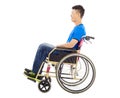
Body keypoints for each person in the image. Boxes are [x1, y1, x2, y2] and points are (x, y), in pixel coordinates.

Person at [24, 5, 86, 79]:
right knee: (43, 46)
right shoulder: (78, 28)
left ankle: (35, 73)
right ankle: (36, 72)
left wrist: (58, 46)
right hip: (66, 51)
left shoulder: (79, 29)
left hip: (67, 53)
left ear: (78, 14)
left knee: (42, 47)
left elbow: (71, 45)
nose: (70, 15)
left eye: (72, 13)